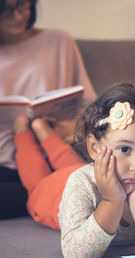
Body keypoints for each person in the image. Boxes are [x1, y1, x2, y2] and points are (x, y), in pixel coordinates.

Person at [13, 82, 135, 258]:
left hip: (89, 169)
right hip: (52, 192)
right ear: (94, 147)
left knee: (67, 159)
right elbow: (76, 256)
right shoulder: (81, 181)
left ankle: (43, 129)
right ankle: (23, 130)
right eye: (124, 149)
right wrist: (111, 201)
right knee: (37, 177)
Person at [0, 0, 96, 219]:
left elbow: (91, 107)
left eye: (23, 5)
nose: (18, 16)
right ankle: (48, 196)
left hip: (57, 149)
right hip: (6, 160)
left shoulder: (58, 41)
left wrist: (66, 128)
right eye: (6, 9)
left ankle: (46, 195)